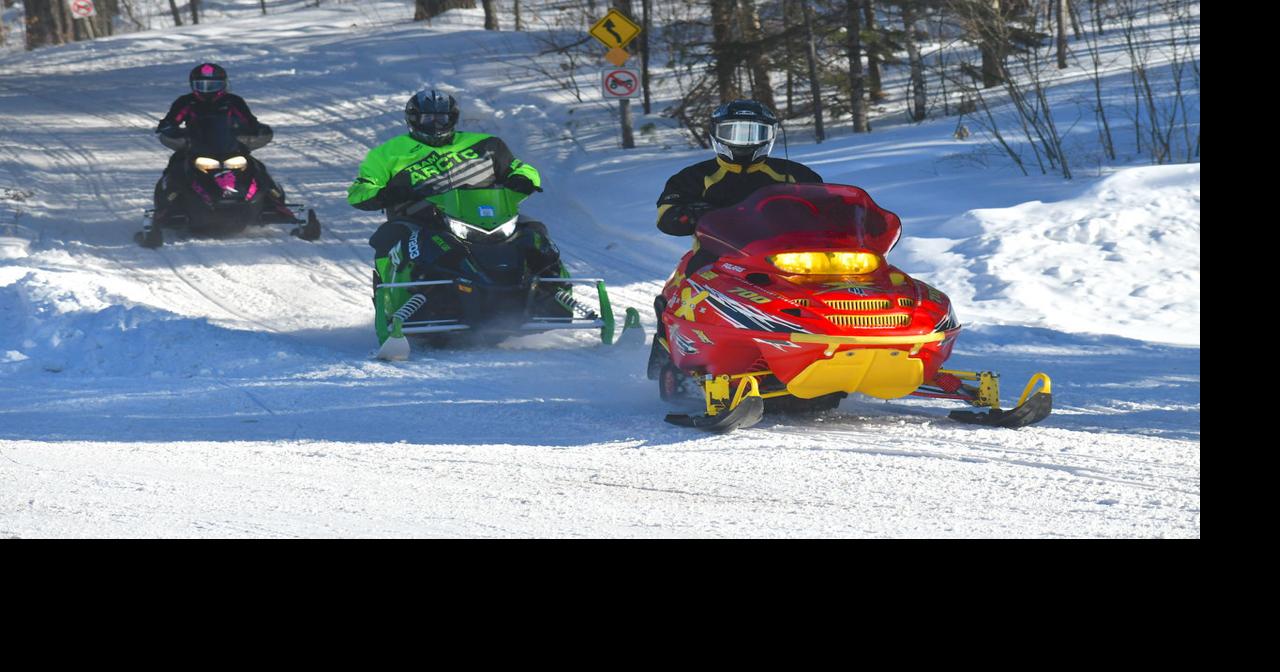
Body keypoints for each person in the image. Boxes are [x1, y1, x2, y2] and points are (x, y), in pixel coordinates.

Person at [649, 99, 823, 375]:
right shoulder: (694, 177)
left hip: (786, 256)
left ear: (770, 135)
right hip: (717, 255)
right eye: (733, 132)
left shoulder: (795, 175)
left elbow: (825, 206)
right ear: (716, 133)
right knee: (689, 287)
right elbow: (666, 216)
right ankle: (682, 356)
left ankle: (831, 340)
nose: (744, 141)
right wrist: (692, 213)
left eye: (755, 133)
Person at [348, 89, 559, 286]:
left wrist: (523, 179)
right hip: (421, 220)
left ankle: (552, 286)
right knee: (389, 238)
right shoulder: (386, 154)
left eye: (442, 118)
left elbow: (520, 168)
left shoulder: (487, 144)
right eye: (428, 118)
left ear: (453, 118)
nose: (436, 124)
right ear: (413, 119)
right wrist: (387, 194)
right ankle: (395, 293)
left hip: (486, 215)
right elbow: (359, 192)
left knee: (533, 231)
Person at [153, 63, 286, 222]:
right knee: (176, 168)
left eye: (213, 85)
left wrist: (256, 129)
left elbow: (248, 120)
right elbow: (173, 119)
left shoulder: (233, 102)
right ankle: (166, 207)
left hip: (229, 148)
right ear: (193, 85)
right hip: (195, 147)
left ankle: (275, 203)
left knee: (256, 168)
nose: (207, 90)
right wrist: (169, 128)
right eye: (202, 85)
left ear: (223, 84)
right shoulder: (186, 102)